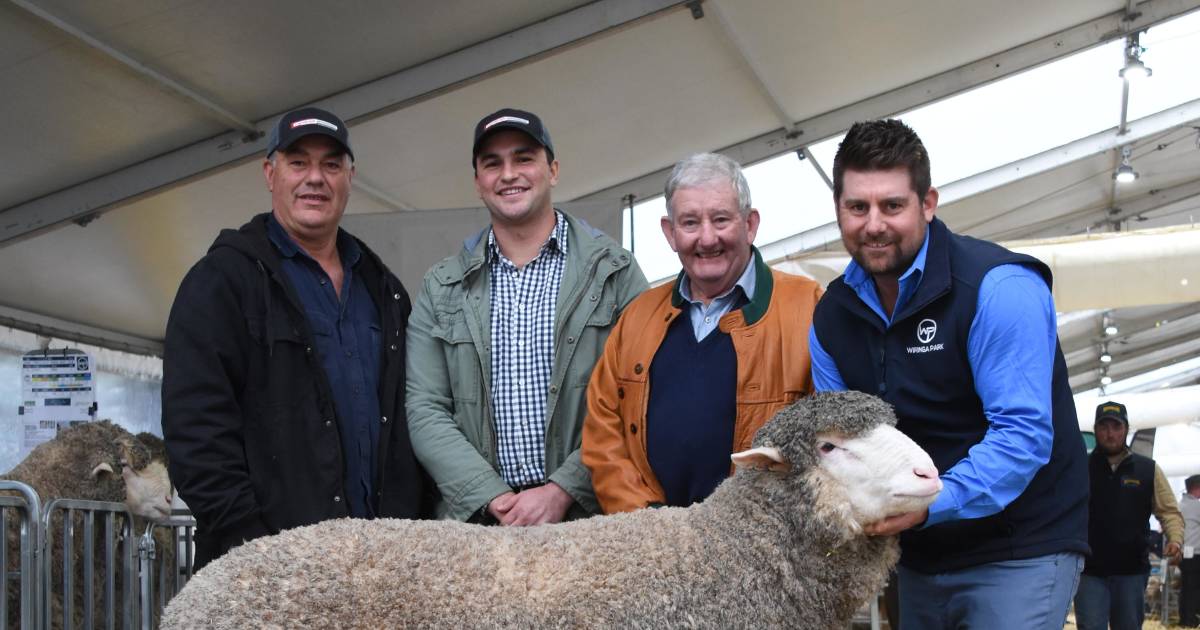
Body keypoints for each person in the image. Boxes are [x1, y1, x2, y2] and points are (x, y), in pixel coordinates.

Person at [808, 119, 1089, 629]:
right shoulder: (832, 316)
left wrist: (930, 504)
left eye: (892, 205)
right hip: (915, 551)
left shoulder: (998, 289)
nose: (874, 224)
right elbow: (839, 442)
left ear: (928, 203)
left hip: (1018, 547)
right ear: (839, 211)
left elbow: (1022, 436)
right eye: (857, 207)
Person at [162, 107, 432, 570]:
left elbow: (414, 415)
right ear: (270, 173)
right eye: (298, 162)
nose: (316, 179)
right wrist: (253, 548)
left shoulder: (383, 289)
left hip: (380, 566)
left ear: (351, 176)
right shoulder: (223, 282)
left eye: (331, 164)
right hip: (268, 568)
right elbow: (196, 429)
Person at [406, 108, 647, 525]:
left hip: (589, 520)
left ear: (552, 170)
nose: (508, 174)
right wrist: (490, 496)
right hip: (478, 526)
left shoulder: (615, 272)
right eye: (492, 163)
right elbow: (425, 406)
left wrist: (563, 489)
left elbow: (640, 396)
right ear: (478, 182)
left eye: (523, 158)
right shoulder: (441, 286)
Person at [581, 153, 822, 513]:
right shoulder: (637, 318)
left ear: (750, 224)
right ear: (670, 232)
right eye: (690, 223)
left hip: (761, 545)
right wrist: (649, 524)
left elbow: (830, 438)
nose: (707, 239)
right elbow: (603, 437)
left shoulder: (809, 307)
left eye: (721, 219)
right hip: (655, 546)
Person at [1074, 401, 1185, 630]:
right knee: (1090, 627)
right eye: (1104, 427)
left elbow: (1168, 511)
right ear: (1095, 430)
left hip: (1131, 572)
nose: (1110, 433)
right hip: (1089, 571)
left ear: (1126, 429)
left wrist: (1175, 539)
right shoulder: (1080, 468)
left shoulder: (1148, 469)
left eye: (1116, 427)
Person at [1182, 474, 1200, 627]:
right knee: (1194, 588)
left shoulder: (1180, 504)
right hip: (1195, 552)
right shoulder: (1197, 506)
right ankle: (1191, 620)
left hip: (1183, 553)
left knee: (1186, 587)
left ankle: (1185, 619)